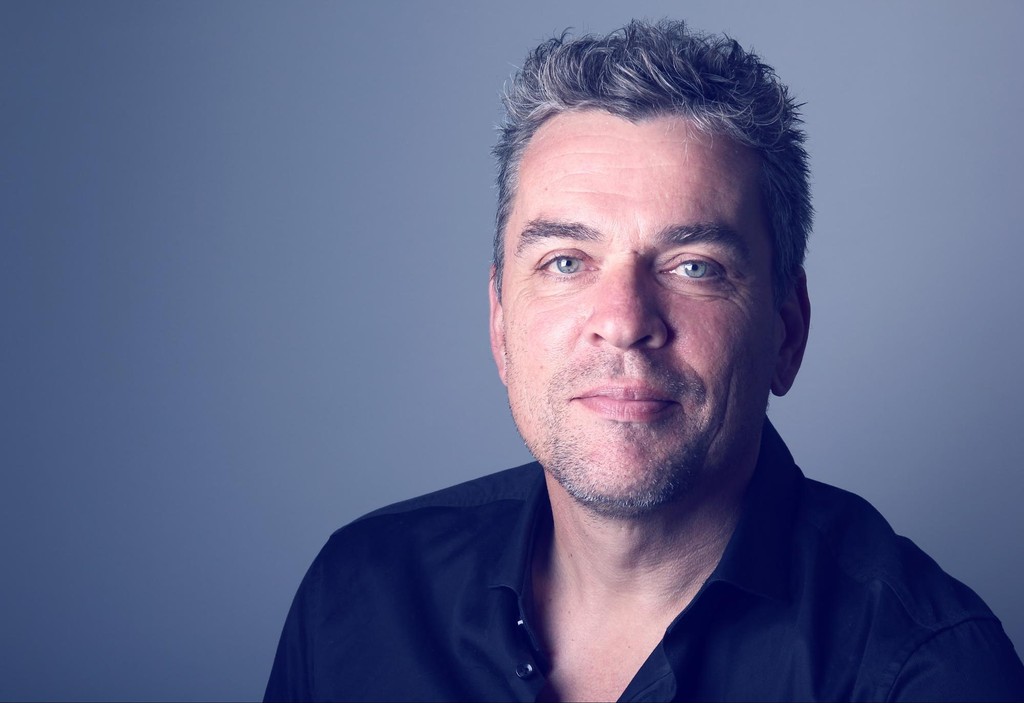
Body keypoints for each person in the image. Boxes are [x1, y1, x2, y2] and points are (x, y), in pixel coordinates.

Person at [265, 19, 1024, 701]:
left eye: (694, 265)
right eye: (566, 261)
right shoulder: (359, 597)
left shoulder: (924, 671)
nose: (623, 322)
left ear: (786, 334)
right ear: (500, 324)